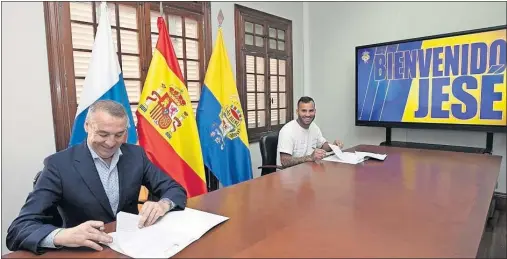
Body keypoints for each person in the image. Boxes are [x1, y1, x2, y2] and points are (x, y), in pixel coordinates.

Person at [6, 100, 187, 254]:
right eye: (103, 134)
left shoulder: (135, 155)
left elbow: (174, 189)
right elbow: (18, 229)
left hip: (131, 247)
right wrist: (62, 235)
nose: (111, 143)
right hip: (85, 251)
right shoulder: (58, 165)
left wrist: (163, 204)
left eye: (119, 135)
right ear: (87, 126)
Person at [277, 96, 344, 168]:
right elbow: (285, 161)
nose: (308, 115)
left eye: (311, 111)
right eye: (304, 111)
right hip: (288, 174)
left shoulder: (314, 127)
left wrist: (333, 146)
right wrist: (310, 157)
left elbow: (322, 145)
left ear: (315, 111)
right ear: (297, 112)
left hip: (308, 170)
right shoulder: (287, 131)